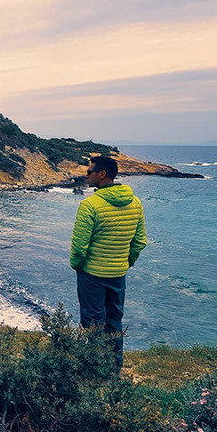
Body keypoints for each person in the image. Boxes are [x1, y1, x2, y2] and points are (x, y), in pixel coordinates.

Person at [70, 155, 147, 373]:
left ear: (102, 174)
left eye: (89, 171)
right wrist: (125, 263)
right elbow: (140, 241)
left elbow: (78, 248)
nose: (86, 175)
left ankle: (95, 370)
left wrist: (78, 265)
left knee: (93, 323)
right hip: (118, 275)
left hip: (92, 275)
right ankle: (114, 370)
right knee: (114, 321)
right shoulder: (135, 202)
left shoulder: (90, 205)